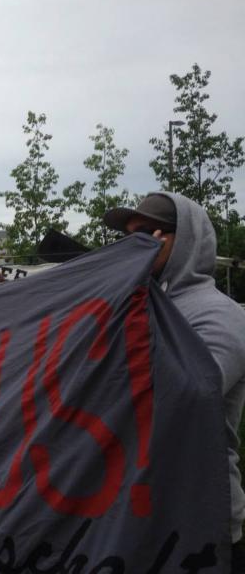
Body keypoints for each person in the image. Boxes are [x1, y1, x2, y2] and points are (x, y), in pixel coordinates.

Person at [104, 192, 245, 563]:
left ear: (182, 239)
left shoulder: (220, 315)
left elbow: (187, 396)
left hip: (199, 518)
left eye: (148, 233)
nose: (135, 246)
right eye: (128, 238)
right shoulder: (138, 306)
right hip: (135, 510)